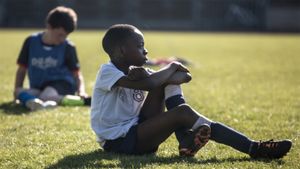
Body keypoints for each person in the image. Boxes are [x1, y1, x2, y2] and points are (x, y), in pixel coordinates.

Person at [91, 24, 292, 158]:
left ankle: (186, 140)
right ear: (121, 51)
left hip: (138, 131)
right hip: (119, 142)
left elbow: (184, 77)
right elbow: (153, 83)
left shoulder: (139, 72)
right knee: (182, 111)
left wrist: (166, 74)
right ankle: (254, 148)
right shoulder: (107, 71)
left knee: (168, 86)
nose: (146, 51)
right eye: (140, 45)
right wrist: (171, 66)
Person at [14, 6, 91, 111]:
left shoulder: (68, 47)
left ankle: (82, 101)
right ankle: (34, 103)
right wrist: (16, 96)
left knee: (46, 95)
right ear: (49, 26)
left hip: (62, 84)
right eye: (60, 35)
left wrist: (81, 92)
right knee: (18, 91)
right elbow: (22, 69)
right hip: (39, 87)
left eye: (66, 36)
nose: (63, 39)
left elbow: (77, 74)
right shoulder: (31, 42)